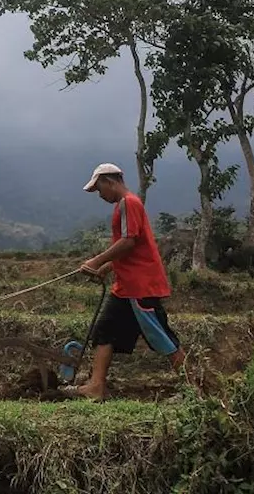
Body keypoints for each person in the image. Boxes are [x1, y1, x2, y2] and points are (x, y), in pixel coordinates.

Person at [67, 162, 185, 402]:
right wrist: (107, 268)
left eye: (99, 190)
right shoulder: (125, 205)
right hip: (126, 286)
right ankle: (96, 386)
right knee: (104, 331)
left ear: (109, 182)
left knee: (161, 336)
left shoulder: (129, 203)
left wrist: (96, 261)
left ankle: (196, 386)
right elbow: (130, 247)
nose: (100, 195)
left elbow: (129, 241)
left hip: (140, 286)